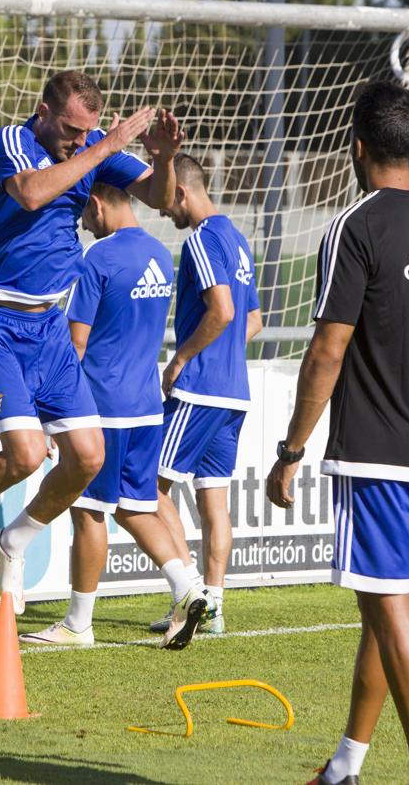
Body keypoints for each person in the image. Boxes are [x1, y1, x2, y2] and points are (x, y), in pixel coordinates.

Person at [264, 81, 409, 785]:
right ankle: (344, 768)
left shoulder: (354, 227)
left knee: (388, 609)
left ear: (356, 146)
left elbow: (327, 349)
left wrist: (291, 450)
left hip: (374, 457)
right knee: (380, 603)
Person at [0, 70, 182, 614]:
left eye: (86, 132)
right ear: (43, 111)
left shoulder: (89, 149)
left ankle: (13, 540)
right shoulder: (13, 141)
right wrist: (105, 145)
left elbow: (163, 198)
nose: (77, 140)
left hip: (48, 329)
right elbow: (33, 194)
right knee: (28, 454)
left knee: (88, 456)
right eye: (69, 128)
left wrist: (166, 157)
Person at [18, 182, 208, 651]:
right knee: (135, 508)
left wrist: (52, 415)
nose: (83, 224)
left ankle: (78, 623)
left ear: (98, 204)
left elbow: (75, 344)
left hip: (103, 408)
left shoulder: (98, 259)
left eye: (84, 214)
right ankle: (188, 588)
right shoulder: (162, 254)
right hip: (146, 408)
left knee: (87, 512)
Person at [148, 152, 262, 637]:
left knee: (147, 484)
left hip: (198, 390)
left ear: (182, 191)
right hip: (234, 393)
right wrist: (225, 353)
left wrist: (182, 359)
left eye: (165, 201)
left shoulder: (200, 239)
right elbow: (253, 318)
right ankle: (212, 605)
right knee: (213, 498)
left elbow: (223, 311)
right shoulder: (237, 240)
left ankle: (189, 593)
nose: (162, 211)